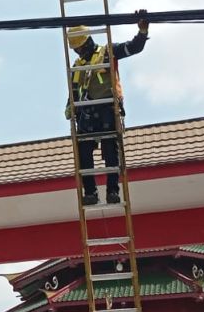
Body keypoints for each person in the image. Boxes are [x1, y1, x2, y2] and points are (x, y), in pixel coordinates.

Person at [64, 15, 151, 206]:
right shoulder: (77, 67)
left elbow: (133, 47)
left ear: (88, 42)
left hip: (107, 110)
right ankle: (91, 192)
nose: (78, 52)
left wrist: (143, 31)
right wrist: (70, 106)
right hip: (86, 115)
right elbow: (74, 92)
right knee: (83, 153)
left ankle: (113, 191)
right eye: (76, 49)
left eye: (80, 47)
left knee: (111, 150)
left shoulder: (107, 52)